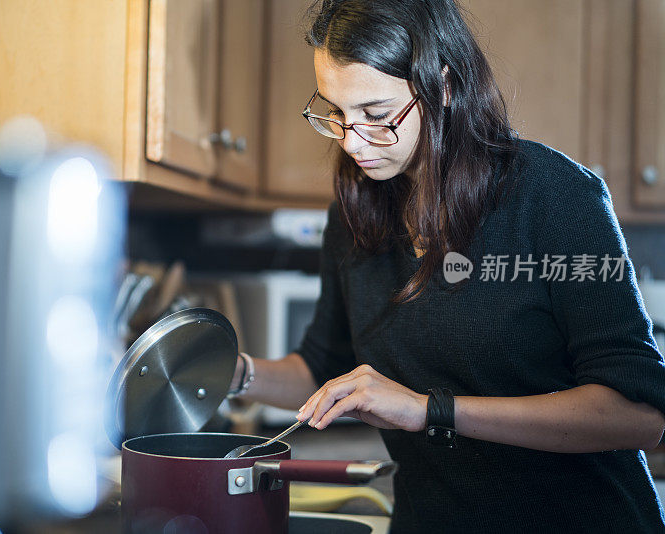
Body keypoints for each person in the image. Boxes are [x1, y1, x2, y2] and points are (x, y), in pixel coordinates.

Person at [225, 0, 665, 532]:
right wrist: (229, 373)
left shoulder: (554, 196)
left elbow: (638, 415)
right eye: (337, 113)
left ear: (445, 86)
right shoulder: (355, 213)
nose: (352, 141)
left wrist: (429, 411)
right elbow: (324, 371)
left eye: (377, 116)